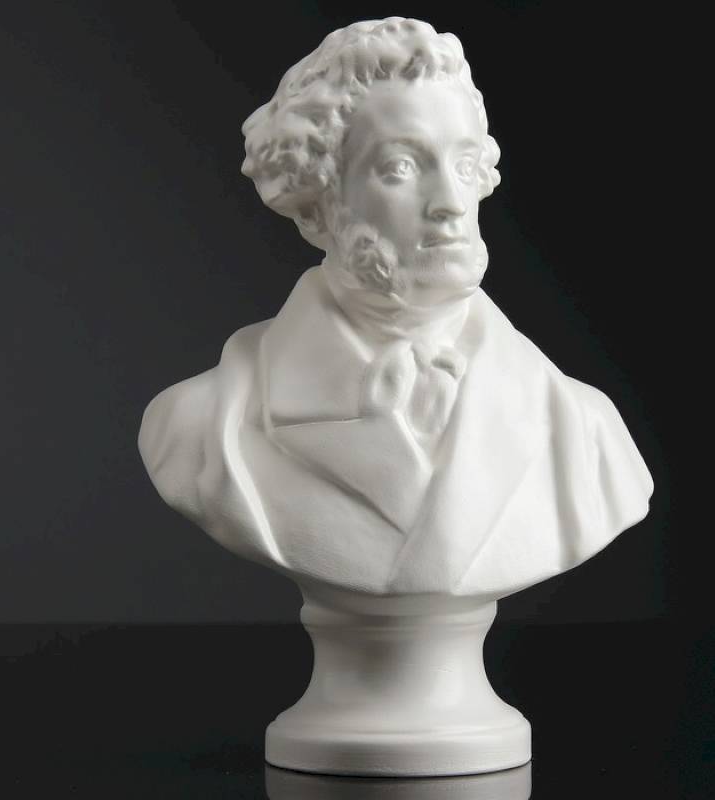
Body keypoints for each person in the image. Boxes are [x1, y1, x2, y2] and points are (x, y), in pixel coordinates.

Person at [138, 18, 653, 597]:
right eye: (400, 168)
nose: (451, 204)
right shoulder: (203, 426)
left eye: (464, 166)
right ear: (317, 204)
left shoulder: (585, 428)